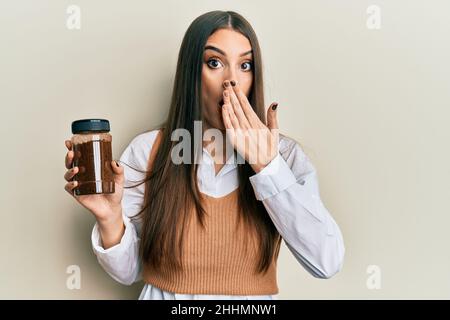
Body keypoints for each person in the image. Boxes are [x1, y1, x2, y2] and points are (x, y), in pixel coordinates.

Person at [63, 10, 345, 300]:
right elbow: (129, 271)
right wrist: (110, 218)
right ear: (191, 75)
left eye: (245, 65)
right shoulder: (148, 151)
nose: (231, 81)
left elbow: (327, 262)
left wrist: (268, 166)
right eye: (214, 63)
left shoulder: (283, 156)